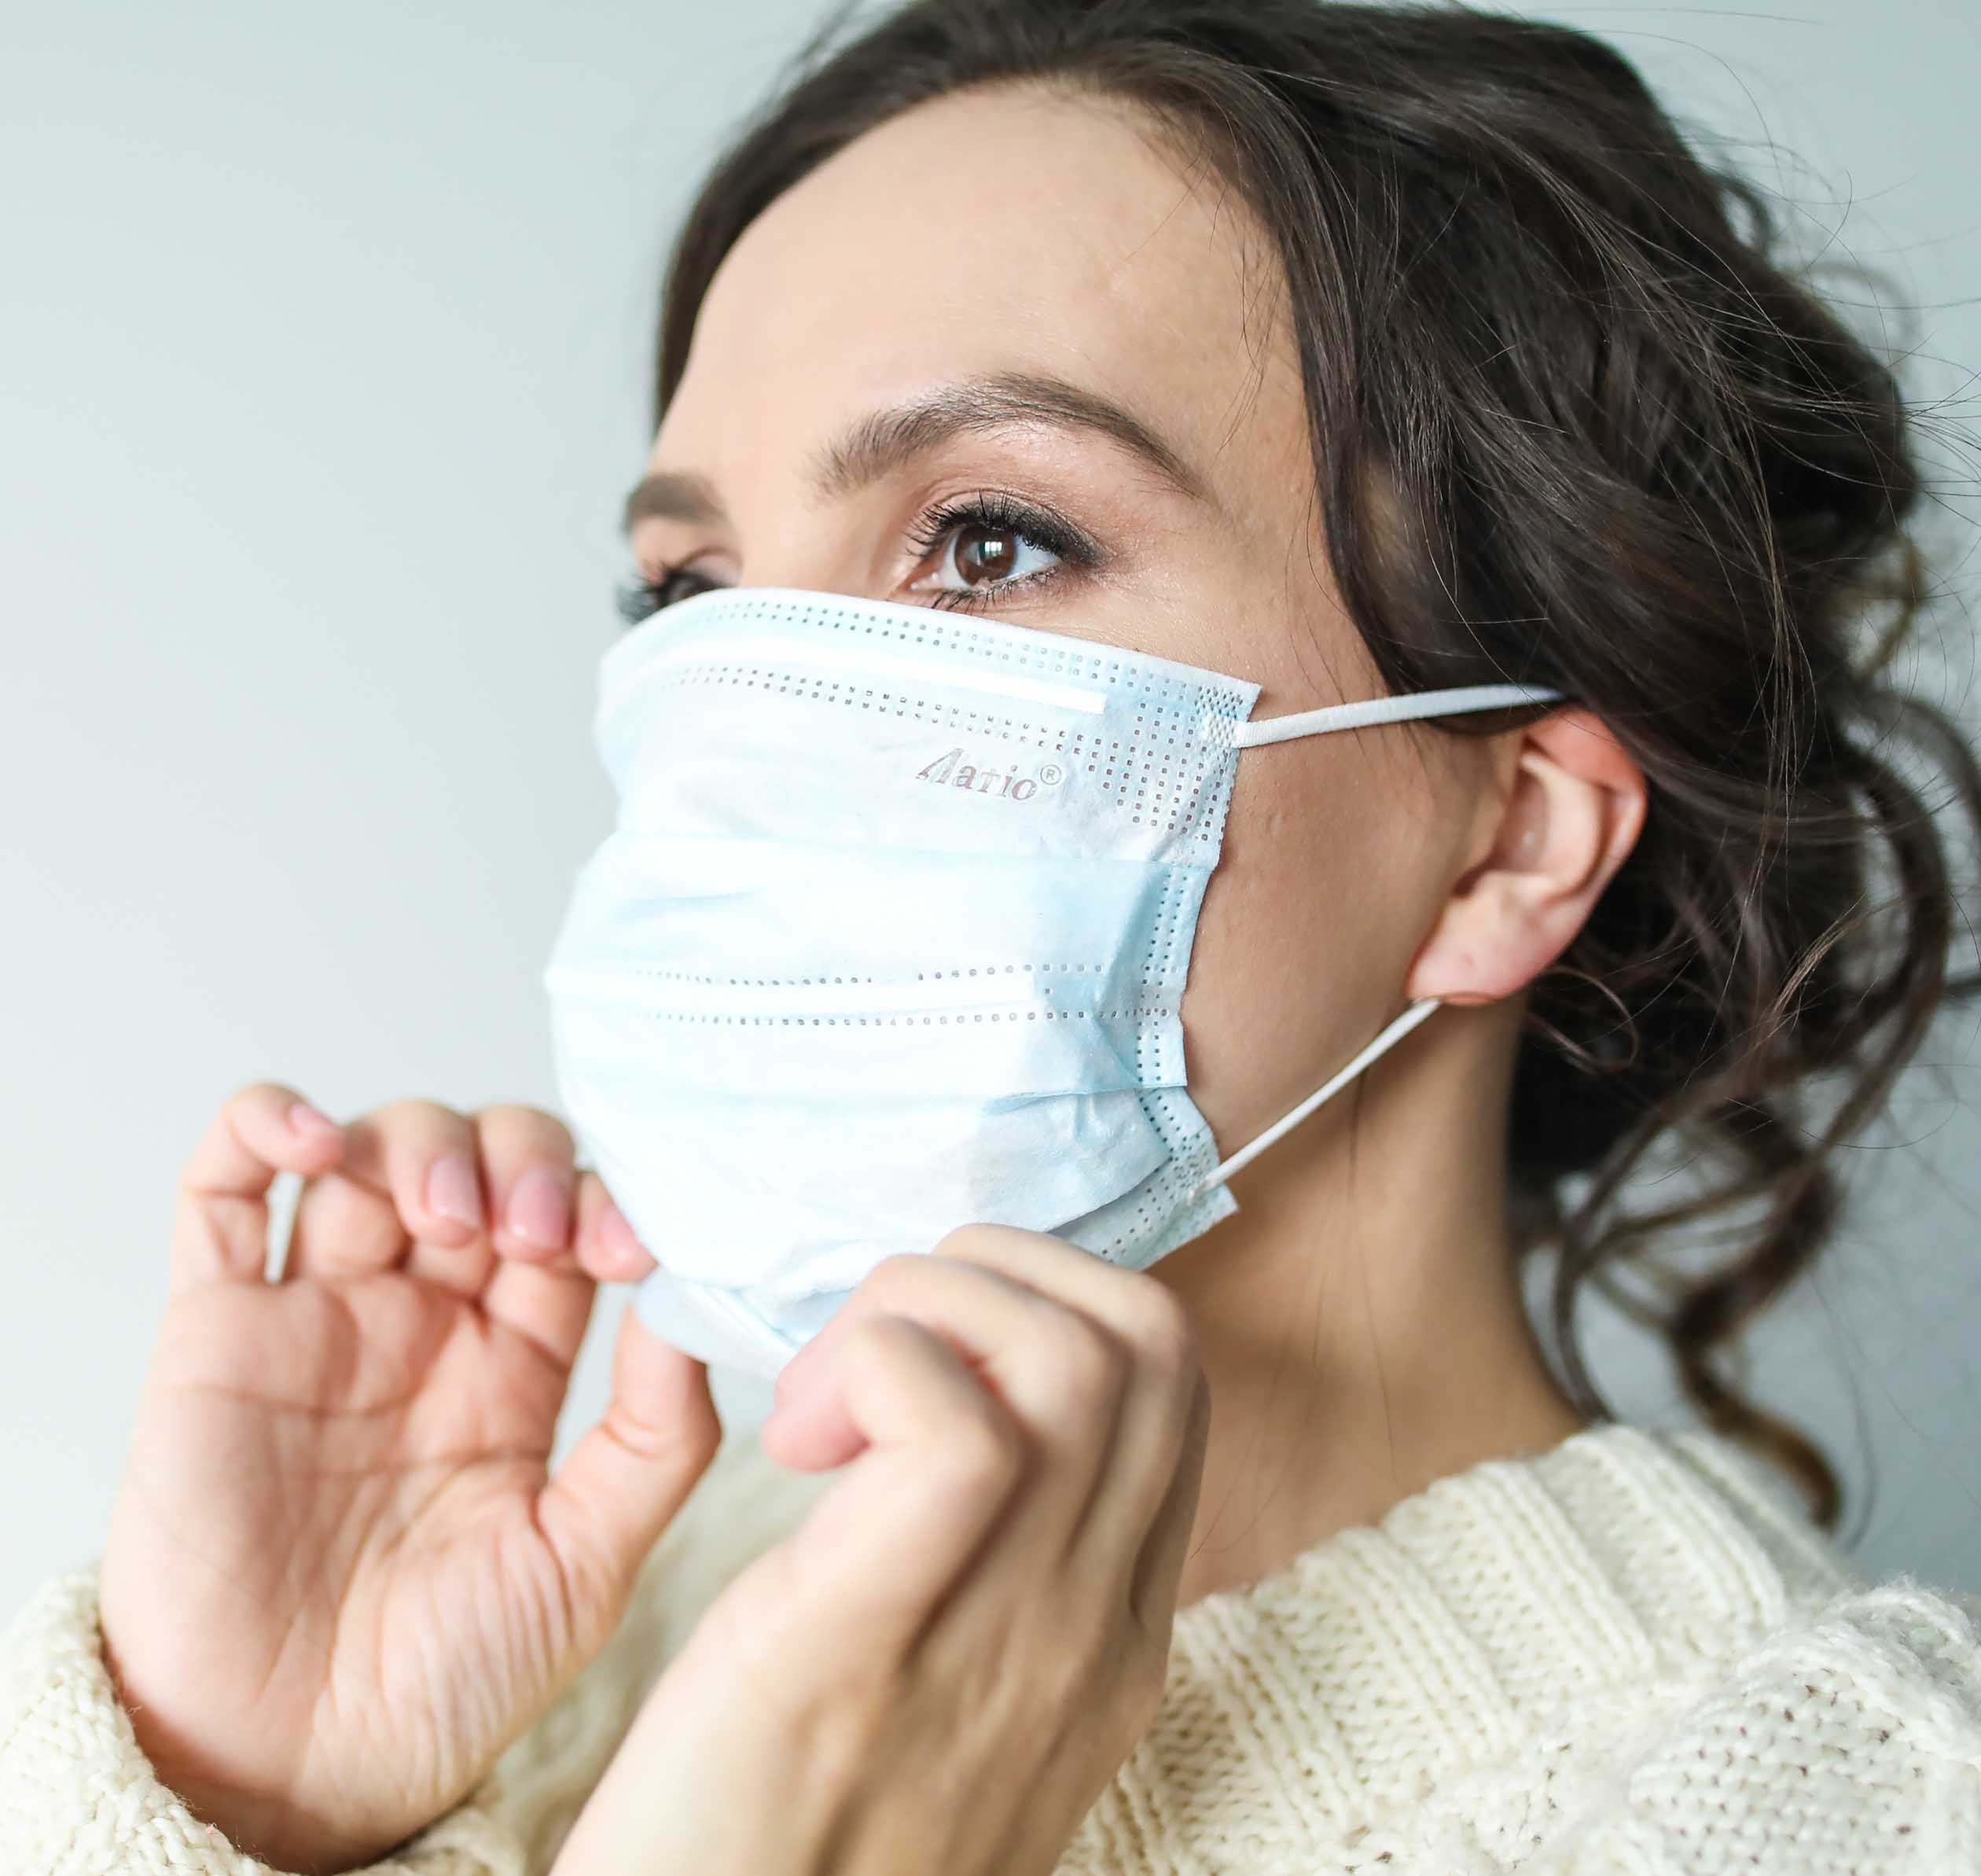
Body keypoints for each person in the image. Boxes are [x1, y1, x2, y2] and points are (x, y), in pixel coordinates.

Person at [7, 2, 1981, 1870]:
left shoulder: (1850, 1816)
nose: (755, 721)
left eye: (989, 542)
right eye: (695, 593)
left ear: (1511, 845)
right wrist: (234, 1787)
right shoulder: (552, 1618)